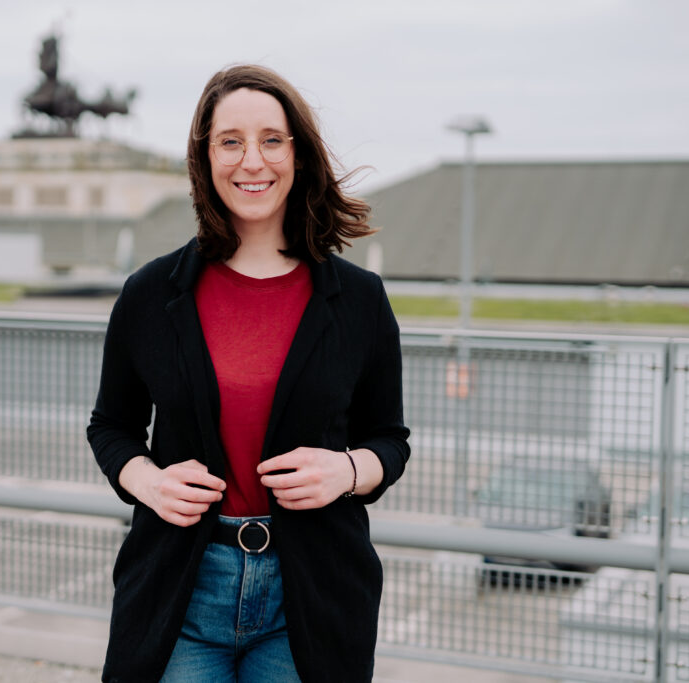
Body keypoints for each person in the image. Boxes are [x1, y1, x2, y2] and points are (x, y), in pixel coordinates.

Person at [87, 64, 410, 683]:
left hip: (310, 597)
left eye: (271, 139)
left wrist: (344, 470)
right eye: (230, 140)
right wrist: (147, 483)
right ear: (204, 157)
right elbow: (111, 427)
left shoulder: (360, 299)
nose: (251, 161)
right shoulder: (150, 293)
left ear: (298, 153)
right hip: (180, 589)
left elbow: (389, 442)